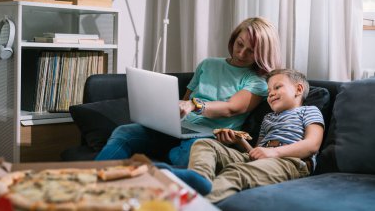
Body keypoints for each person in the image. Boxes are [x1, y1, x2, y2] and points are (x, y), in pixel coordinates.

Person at [95, 17, 282, 167]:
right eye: (239, 44)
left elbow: (231, 108)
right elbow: (184, 102)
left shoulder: (258, 81)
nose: (241, 53)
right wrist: (167, 113)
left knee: (187, 156)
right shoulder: (208, 64)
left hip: (209, 137)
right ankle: (92, 179)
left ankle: (165, 160)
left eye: (251, 51)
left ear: (261, 54)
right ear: (234, 38)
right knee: (125, 132)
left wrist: (195, 105)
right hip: (181, 129)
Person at [162, 69, 325, 202]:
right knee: (205, 144)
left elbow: (312, 145)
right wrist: (239, 141)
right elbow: (256, 152)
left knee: (237, 171)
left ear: (298, 89)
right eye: (269, 91)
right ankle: (199, 178)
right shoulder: (268, 118)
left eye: (277, 87)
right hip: (263, 158)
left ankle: (192, 203)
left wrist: (274, 152)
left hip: (291, 162)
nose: (271, 94)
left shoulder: (308, 111)